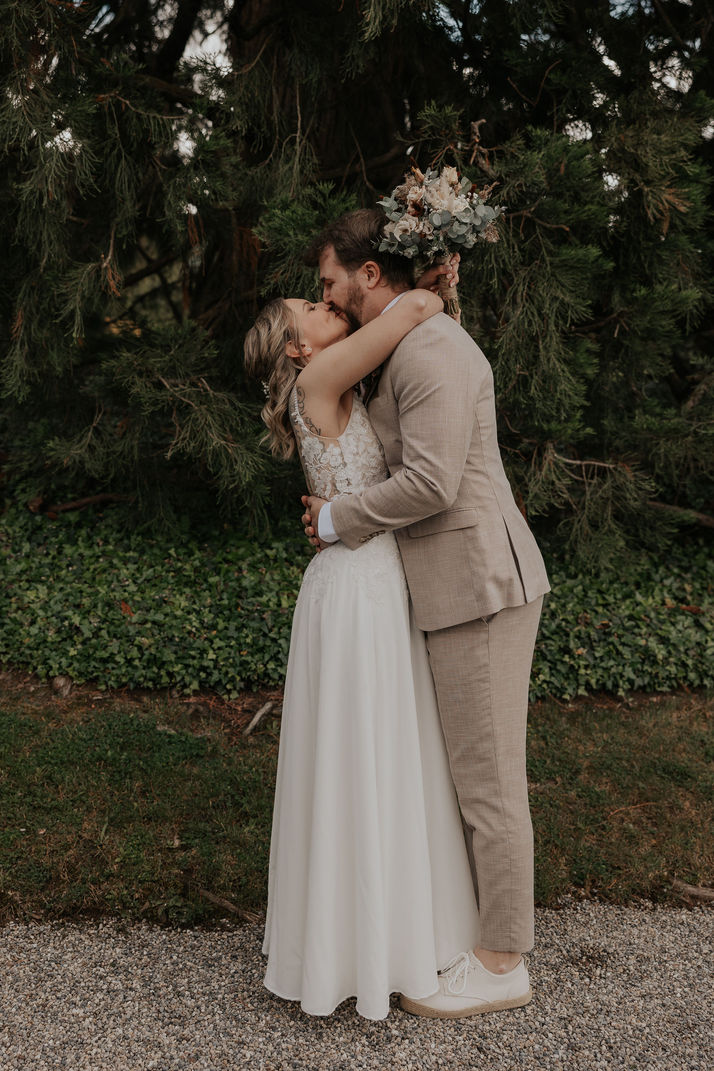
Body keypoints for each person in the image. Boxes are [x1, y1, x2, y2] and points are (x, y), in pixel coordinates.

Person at [301, 208, 551, 1019]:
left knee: (488, 783)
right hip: (455, 584)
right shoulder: (410, 343)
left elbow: (435, 482)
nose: (327, 298)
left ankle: (504, 959)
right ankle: (474, 933)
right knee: (471, 777)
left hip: (478, 585)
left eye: (331, 282)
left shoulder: (432, 348)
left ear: (370, 274)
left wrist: (337, 519)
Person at [243, 287, 482, 1021]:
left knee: (390, 752)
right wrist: (435, 261)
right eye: (310, 308)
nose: (327, 305)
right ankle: (361, 945)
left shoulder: (335, 383)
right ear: (297, 347)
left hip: (371, 580)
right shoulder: (317, 381)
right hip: (354, 591)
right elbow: (409, 313)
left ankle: (393, 932)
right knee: (359, 755)